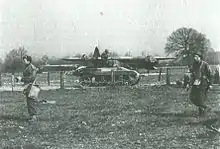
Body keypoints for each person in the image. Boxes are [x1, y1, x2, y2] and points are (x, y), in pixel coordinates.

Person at [16, 55, 39, 122]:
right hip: (29, 86)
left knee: (31, 101)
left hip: (32, 86)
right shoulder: (27, 67)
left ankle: (33, 117)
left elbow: (32, 78)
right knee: (29, 101)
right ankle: (32, 116)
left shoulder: (31, 67)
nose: (23, 61)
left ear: (28, 60)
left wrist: (21, 79)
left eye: (24, 60)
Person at [189, 52, 212, 116]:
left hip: (203, 83)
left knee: (201, 97)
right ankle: (205, 107)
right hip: (196, 82)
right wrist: (190, 83)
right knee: (192, 97)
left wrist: (210, 84)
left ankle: (202, 113)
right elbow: (192, 74)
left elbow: (210, 74)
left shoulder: (205, 64)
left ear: (200, 58)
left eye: (196, 57)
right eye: (194, 57)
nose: (194, 58)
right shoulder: (194, 64)